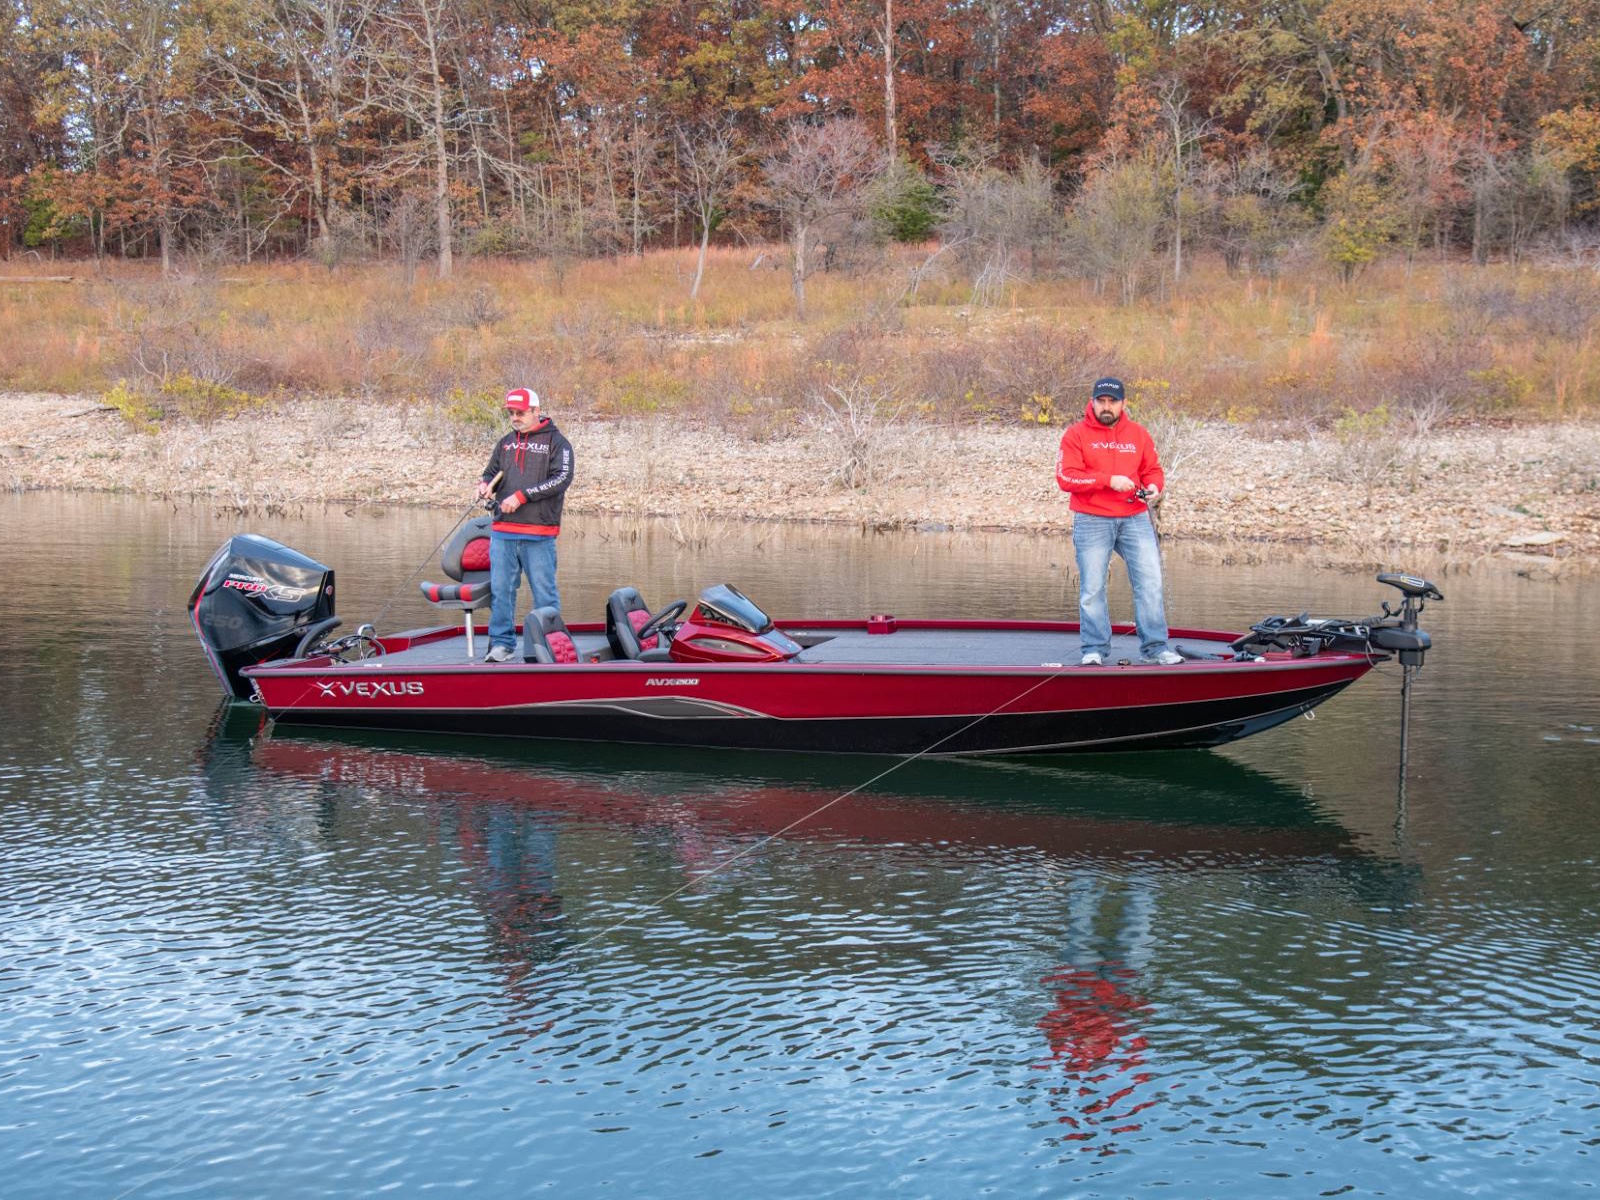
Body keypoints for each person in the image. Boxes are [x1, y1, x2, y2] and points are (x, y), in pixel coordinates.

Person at [1055, 377, 1183, 667]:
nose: (1106, 406)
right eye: (1101, 401)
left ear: (1123, 403)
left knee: (1150, 582)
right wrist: (1108, 480)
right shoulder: (1075, 435)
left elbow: (1152, 470)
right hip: (1092, 519)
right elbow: (1066, 477)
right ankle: (1094, 649)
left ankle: (1155, 649)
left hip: (1134, 518)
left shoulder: (1138, 434)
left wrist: (1154, 487)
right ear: (1092, 402)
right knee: (1093, 588)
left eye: (1112, 401)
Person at [477, 387, 574, 663]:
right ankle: (502, 645)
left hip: (539, 533)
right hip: (503, 532)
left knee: (545, 594)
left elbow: (562, 478)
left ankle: (548, 646)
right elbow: (490, 472)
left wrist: (522, 496)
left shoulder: (558, 443)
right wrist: (484, 485)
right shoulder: (506, 443)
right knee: (501, 592)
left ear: (536, 411)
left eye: (520, 412)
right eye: (511, 413)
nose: (515, 418)